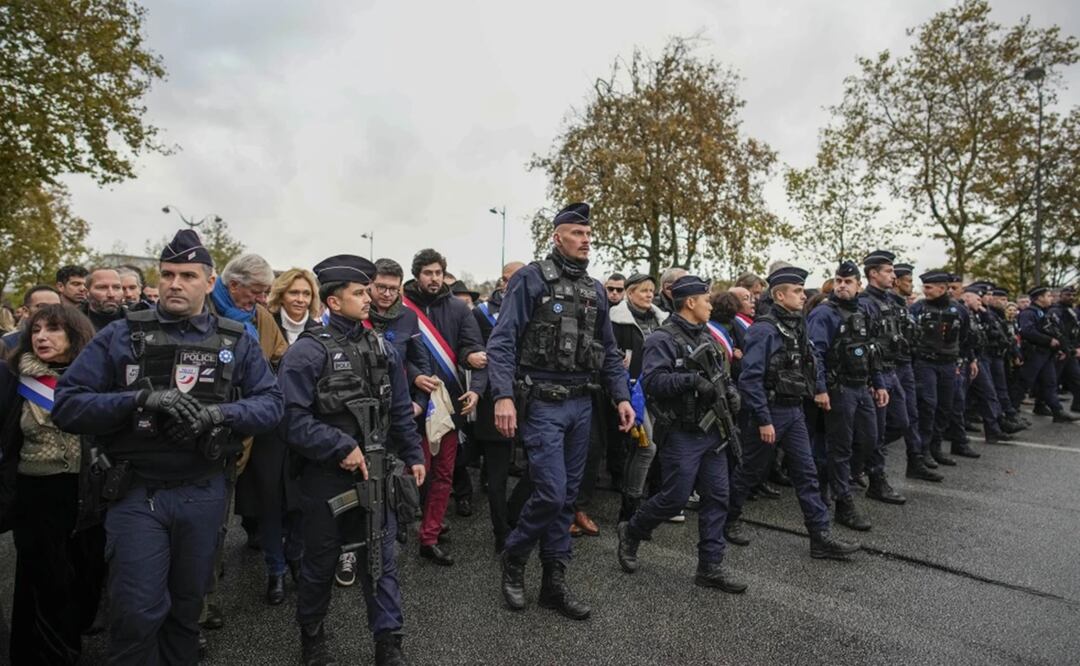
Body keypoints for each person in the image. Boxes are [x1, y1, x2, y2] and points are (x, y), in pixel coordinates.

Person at [51, 229, 284, 665]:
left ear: (209, 282)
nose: (176, 283)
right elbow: (68, 404)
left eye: (188, 275)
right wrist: (139, 399)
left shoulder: (236, 340)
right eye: (169, 274)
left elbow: (272, 405)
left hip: (204, 489)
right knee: (136, 612)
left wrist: (220, 415)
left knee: (186, 610)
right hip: (138, 493)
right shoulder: (122, 335)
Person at [486, 202, 634, 619]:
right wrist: (502, 395)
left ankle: (554, 582)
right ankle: (514, 558)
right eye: (577, 233)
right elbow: (502, 342)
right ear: (557, 237)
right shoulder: (530, 280)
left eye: (589, 234)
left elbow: (606, 353)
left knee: (567, 499)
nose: (586, 240)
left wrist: (621, 396)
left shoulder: (593, 290)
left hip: (582, 404)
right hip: (543, 404)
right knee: (550, 492)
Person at [277, 254, 425, 666]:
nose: (368, 298)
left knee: (381, 560)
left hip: (377, 470)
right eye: (358, 292)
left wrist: (413, 455)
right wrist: (337, 445)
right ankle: (312, 635)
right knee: (320, 561)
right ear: (333, 302)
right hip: (326, 477)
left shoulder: (381, 346)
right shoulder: (308, 353)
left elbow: (399, 407)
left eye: (367, 290)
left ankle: (388, 642)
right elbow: (289, 419)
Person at [615, 275, 746, 592]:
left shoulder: (710, 336)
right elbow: (653, 382)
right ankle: (632, 531)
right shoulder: (663, 339)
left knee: (718, 498)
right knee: (674, 498)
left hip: (712, 430)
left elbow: (721, 373)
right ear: (690, 303)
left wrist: (730, 392)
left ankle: (710, 566)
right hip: (681, 431)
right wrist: (690, 381)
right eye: (706, 299)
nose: (710, 304)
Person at [723, 266, 859, 561]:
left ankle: (820, 536)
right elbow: (750, 379)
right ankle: (727, 519)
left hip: (794, 409)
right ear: (780, 295)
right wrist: (763, 419)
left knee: (807, 473)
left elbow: (811, 361)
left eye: (802, 290)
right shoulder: (764, 330)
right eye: (796, 291)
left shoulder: (798, 325)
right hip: (769, 411)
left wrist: (820, 387)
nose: (802, 295)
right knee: (749, 471)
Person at [0, 304, 106, 664]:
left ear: (75, 336)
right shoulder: (14, 378)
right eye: (36, 330)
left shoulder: (98, 379)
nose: (42, 337)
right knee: (46, 584)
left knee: (86, 580)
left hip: (88, 495)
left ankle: (69, 643)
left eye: (54, 329)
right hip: (37, 495)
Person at [403, 249, 484, 566]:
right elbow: (395, 353)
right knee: (414, 471)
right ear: (416, 274)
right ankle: (408, 525)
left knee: (443, 474)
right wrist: (414, 375)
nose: (434, 278)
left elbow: (473, 349)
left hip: (448, 403)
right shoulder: (401, 308)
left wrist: (476, 386)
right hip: (411, 403)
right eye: (427, 273)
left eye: (438, 272)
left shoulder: (459, 309)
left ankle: (430, 535)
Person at [248, 268, 323, 605]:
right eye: (294, 293)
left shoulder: (319, 332)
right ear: (281, 295)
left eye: (306, 294)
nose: (300, 300)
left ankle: (296, 557)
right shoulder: (265, 326)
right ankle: (275, 569)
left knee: (301, 502)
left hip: (306, 428)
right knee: (271, 503)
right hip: (269, 431)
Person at [807, 261, 893, 533]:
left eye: (848, 282)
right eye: (838, 281)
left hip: (861, 387)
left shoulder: (865, 309)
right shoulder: (824, 314)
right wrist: (820, 388)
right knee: (839, 448)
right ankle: (843, 504)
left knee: (869, 439)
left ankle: (832, 485)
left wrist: (878, 384)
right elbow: (814, 354)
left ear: (859, 285)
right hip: (838, 388)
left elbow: (871, 351)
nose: (842, 286)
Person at [859, 252, 943, 484]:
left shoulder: (890, 301)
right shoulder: (865, 303)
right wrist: (872, 380)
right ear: (873, 274)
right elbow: (864, 345)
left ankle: (860, 460)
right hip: (879, 372)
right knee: (876, 429)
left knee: (903, 421)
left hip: (895, 368)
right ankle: (876, 478)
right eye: (888, 271)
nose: (893, 275)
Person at [464, 261, 525, 553]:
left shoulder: (537, 307)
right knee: (498, 474)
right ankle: (502, 531)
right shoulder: (480, 313)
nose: (508, 283)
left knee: (539, 469)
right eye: (506, 278)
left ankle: (514, 515)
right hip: (495, 398)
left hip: (532, 399)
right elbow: (467, 347)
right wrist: (470, 357)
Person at [609, 273, 668, 523]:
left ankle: (647, 501)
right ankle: (630, 508)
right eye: (643, 290)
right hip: (629, 392)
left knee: (650, 447)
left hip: (657, 391)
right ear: (630, 293)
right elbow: (611, 357)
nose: (649, 295)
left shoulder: (661, 320)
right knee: (646, 447)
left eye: (651, 290)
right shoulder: (616, 320)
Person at [910, 270, 968, 468]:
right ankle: (923, 450)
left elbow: (966, 336)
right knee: (928, 405)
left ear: (942, 288)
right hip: (925, 363)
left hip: (948, 364)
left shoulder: (958, 310)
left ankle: (936, 448)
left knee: (945, 406)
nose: (924, 291)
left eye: (928, 287)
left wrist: (962, 359)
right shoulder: (918, 308)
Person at [1017, 286, 1076, 422]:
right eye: (1048, 296)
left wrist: (1059, 347)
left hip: (1046, 353)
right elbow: (1027, 331)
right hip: (1034, 354)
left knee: (1050, 382)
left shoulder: (1043, 313)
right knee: (1024, 383)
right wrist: (1049, 340)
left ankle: (1057, 411)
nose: (1051, 298)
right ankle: (1012, 412)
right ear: (1040, 298)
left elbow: (1053, 331)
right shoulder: (1029, 313)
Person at [1048, 285, 1080, 413]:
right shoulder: (1055, 311)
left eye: (1073, 295)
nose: (1071, 297)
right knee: (1051, 380)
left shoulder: (1071, 311)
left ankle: (1077, 405)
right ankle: (1042, 405)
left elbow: (1075, 332)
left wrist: (1076, 347)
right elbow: (1058, 332)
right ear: (1060, 296)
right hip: (1060, 351)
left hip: (1070, 350)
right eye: (1067, 295)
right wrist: (1063, 348)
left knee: (1077, 378)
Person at [1, 285, 61, 351]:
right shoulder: (8, 343)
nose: (51, 310)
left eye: (56, 306)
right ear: (26, 311)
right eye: (43, 306)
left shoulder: (70, 340)